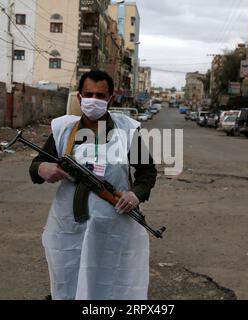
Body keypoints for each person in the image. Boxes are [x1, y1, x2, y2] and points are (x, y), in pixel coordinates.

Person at [29, 70, 157, 300]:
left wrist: (135, 195)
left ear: (110, 99)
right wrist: (42, 169)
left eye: (100, 96)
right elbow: (37, 165)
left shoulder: (127, 130)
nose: (94, 100)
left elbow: (147, 171)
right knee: (69, 283)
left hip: (114, 228)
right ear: (79, 97)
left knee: (113, 284)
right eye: (89, 94)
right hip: (70, 229)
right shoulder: (64, 130)